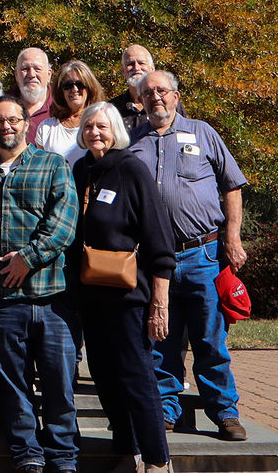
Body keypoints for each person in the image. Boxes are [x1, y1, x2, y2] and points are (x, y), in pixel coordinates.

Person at [129, 71, 249, 441]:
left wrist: (232, 238)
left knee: (209, 337)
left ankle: (224, 412)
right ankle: (166, 409)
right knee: (160, 338)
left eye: (161, 91)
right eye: (148, 93)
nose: (155, 98)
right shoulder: (132, 140)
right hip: (153, 262)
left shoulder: (203, 133)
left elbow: (232, 187)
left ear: (176, 96)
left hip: (204, 253)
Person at [0, 95, 81, 473]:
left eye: (13, 119)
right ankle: (27, 452)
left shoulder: (53, 166)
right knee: (12, 386)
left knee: (58, 384)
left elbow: (63, 224)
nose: (6, 126)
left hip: (51, 297)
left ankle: (63, 455)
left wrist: (25, 260)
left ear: (26, 122)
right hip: (2, 301)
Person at [70, 102, 174, 473]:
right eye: (88, 127)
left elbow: (159, 239)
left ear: (115, 129)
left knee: (136, 375)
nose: (95, 133)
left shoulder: (132, 169)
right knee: (103, 372)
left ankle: (157, 459)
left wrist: (158, 302)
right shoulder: (82, 170)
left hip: (128, 295)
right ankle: (126, 448)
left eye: (102, 126)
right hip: (91, 295)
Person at [35, 60, 105, 166]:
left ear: (90, 87)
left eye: (80, 84)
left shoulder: (103, 124)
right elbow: (42, 169)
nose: (74, 89)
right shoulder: (46, 128)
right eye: (68, 85)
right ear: (60, 90)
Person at [107, 45, 186, 134]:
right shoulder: (111, 109)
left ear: (152, 68)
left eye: (141, 63)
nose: (136, 68)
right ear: (123, 71)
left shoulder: (169, 104)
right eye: (130, 64)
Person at [6, 47, 54, 143]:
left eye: (37, 69)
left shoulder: (62, 103)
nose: (31, 74)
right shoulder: (3, 102)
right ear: (16, 74)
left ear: (49, 74)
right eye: (25, 69)